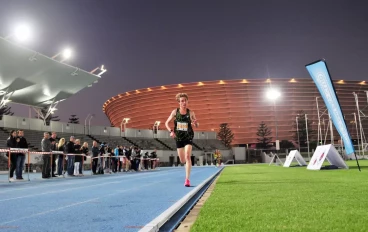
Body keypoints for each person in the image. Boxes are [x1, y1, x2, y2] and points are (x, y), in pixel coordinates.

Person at [165, 93, 199, 187]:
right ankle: (186, 168)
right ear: (179, 102)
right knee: (182, 160)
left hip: (188, 137)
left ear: (187, 101)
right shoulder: (175, 112)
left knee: (188, 156)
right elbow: (166, 123)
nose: (184, 102)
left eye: (185, 100)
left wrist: (195, 123)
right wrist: (171, 131)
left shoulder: (191, 112)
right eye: (182, 101)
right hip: (179, 138)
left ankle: (187, 179)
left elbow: (196, 124)